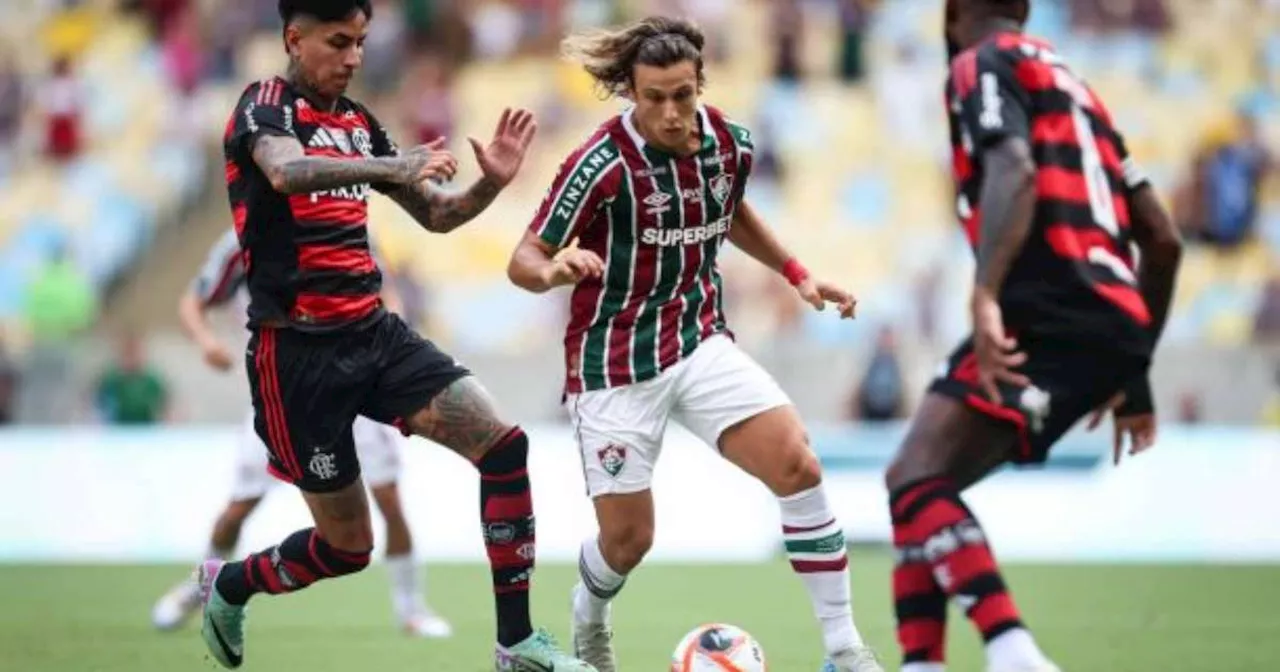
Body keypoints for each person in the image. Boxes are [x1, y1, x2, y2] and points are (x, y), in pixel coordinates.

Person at [197, 2, 595, 670]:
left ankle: (516, 643)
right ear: (295, 38)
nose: (354, 57)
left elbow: (438, 217)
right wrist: (391, 167)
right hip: (296, 355)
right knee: (348, 549)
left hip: (373, 334)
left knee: (503, 446)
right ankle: (231, 584)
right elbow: (286, 173)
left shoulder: (357, 122)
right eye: (338, 42)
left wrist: (490, 185)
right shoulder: (263, 107)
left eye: (361, 43)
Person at [506, 16, 882, 672]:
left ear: (700, 83)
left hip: (696, 339)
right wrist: (553, 271)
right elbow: (523, 258)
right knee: (628, 541)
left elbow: (727, 210)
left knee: (799, 465)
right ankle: (588, 611)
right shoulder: (599, 164)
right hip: (614, 364)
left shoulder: (728, 143)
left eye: (684, 94)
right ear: (631, 92)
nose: (673, 112)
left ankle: (845, 648)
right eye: (656, 98)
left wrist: (798, 273)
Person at [883, 2, 1183, 671]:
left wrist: (984, 290)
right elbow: (1161, 239)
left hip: (1047, 307)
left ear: (955, 12)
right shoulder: (1075, 86)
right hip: (1103, 320)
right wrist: (1131, 369)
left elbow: (1012, 168)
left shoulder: (979, 65)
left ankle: (1013, 652)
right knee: (918, 483)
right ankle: (923, 663)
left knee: (914, 478)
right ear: (1022, 8)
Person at [151, 228, 451, 639]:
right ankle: (200, 589)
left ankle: (411, 609)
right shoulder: (243, 239)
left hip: (356, 391)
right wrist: (206, 342)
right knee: (239, 507)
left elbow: (387, 289)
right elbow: (194, 299)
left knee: (390, 500)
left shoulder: (342, 220)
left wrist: (391, 339)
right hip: (279, 395)